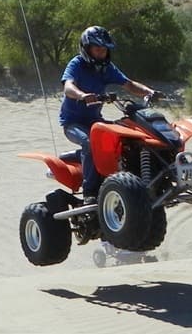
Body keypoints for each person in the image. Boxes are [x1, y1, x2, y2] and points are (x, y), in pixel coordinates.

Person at [60, 25, 159, 204]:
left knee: (123, 136)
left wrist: (148, 92)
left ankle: (126, 180)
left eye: (104, 50)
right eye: (98, 49)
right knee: (90, 143)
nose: (101, 53)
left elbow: (128, 84)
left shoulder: (106, 68)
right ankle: (90, 192)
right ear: (86, 49)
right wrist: (82, 95)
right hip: (73, 123)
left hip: (95, 121)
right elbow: (68, 86)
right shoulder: (77, 64)